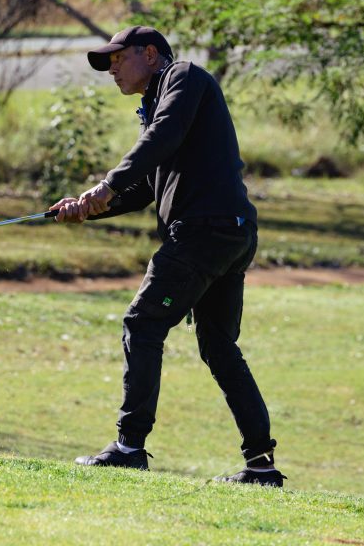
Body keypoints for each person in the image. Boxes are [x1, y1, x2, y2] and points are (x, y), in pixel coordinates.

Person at [50, 25, 284, 487]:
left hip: (204, 232)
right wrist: (89, 208)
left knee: (143, 323)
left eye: (118, 58)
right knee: (219, 347)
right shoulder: (157, 103)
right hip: (228, 232)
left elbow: (162, 136)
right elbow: (143, 189)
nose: (112, 68)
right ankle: (261, 466)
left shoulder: (185, 77)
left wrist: (105, 185)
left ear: (151, 54)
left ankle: (129, 447)